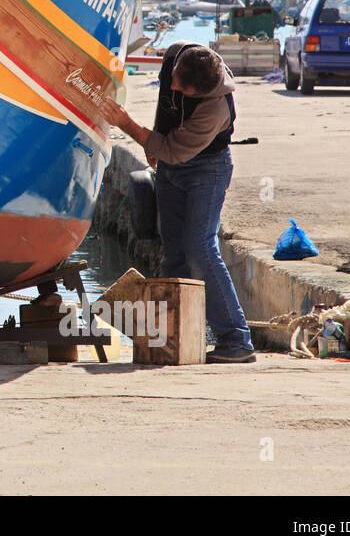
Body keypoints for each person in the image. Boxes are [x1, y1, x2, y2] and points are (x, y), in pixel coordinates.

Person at [99, 42, 255, 363]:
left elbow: (171, 150)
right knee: (173, 253)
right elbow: (165, 105)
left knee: (200, 245)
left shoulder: (216, 109)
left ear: (201, 91)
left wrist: (126, 123)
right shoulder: (176, 55)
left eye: (182, 88)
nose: (171, 86)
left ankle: (236, 340)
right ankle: (175, 339)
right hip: (171, 168)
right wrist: (154, 137)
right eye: (172, 78)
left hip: (205, 170)